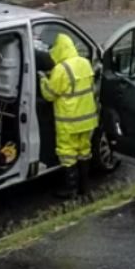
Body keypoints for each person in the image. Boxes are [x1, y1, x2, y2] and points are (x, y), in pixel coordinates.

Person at [40, 33, 98, 199]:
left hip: (69, 121)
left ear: (59, 49)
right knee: (84, 151)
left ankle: (70, 189)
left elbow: (49, 94)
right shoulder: (85, 63)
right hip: (87, 120)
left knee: (67, 153)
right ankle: (85, 189)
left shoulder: (60, 69)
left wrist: (43, 80)